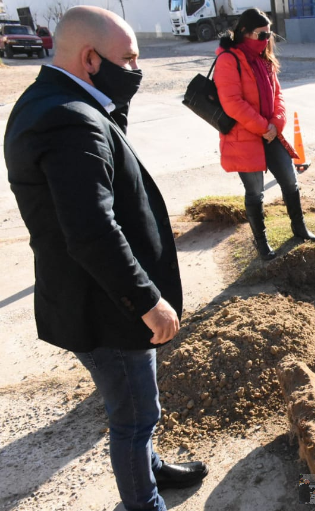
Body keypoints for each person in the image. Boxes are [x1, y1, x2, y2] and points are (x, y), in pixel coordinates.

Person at [4, 6, 208, 511]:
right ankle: (144, 503)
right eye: (130, 59)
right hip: (106, 306)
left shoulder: (58, 99)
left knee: (139, 406)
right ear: (91, 59)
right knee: (135, 417)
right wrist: (147, 302)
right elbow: (92, 230)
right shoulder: (70, 121)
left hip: (97, 295)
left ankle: (152, 469)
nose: (137, 71)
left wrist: (111, 107)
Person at [214, 8, 315, 261]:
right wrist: (264, 127)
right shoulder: (229, 59)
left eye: (269, 35)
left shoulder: (265, 58)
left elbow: (278, 95)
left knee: (289, 180)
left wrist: (276, 124)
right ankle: (261, 242)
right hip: (244, 137)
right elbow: (232, 103)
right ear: (245, 33)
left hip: (271, 134)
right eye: (261, 35)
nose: (266, 40)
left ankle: (298, 227)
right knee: (255, 193)